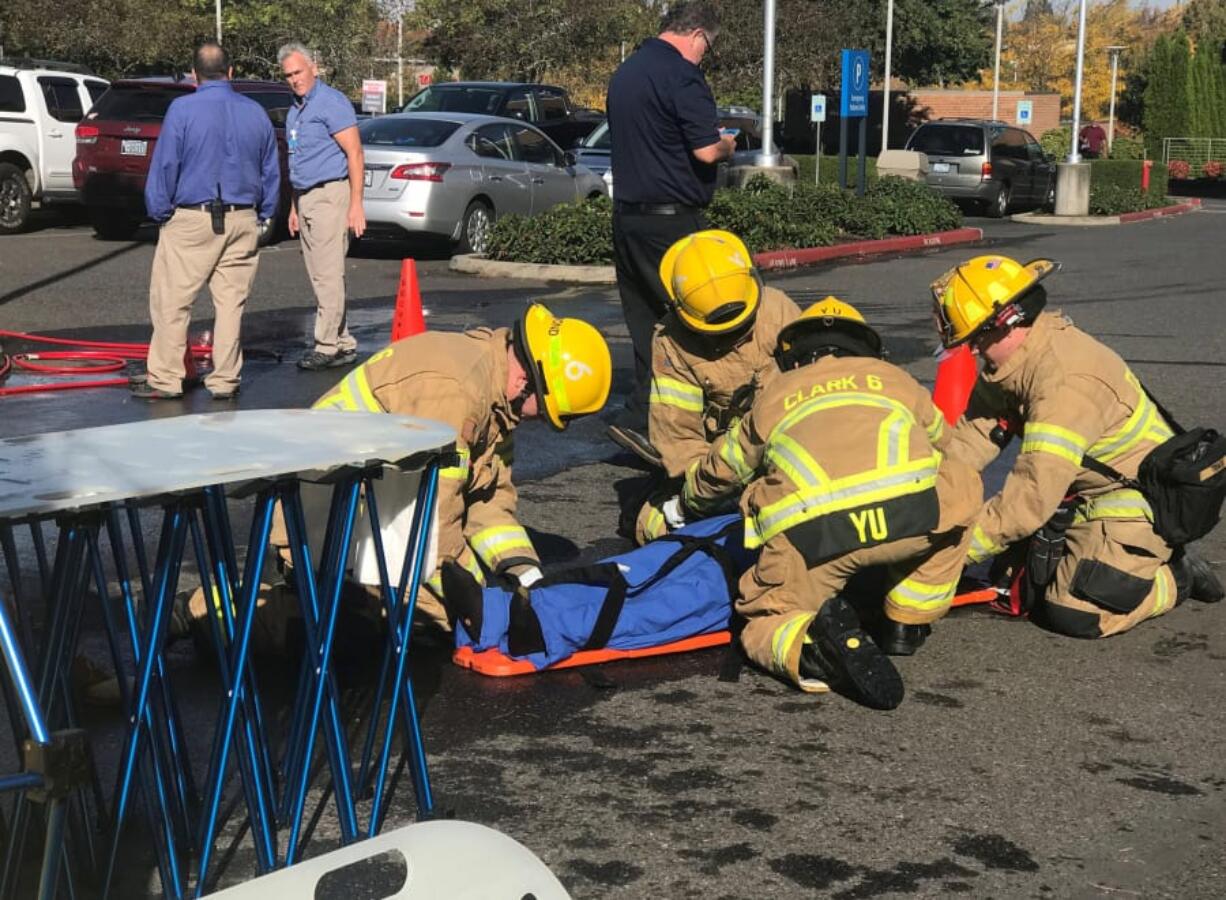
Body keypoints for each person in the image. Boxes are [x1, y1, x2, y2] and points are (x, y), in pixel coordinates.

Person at [671, 299, 983, 708]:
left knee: (764, 620)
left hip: (815, 541)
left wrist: (686, 503)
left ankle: (811, 645)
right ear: (865, 348)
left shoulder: (775, 393)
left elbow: (723, 470)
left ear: (794, 355)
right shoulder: (896, 380)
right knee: (961, 483)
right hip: (913, 522)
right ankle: (906, 622)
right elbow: (947, 446)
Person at [271, 303, 613, 633]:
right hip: (325, 524)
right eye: (548, 413)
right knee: (444, 620)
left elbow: (489, 500)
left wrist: (523, 571)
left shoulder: (496, 396)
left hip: (380, 511)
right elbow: (434, 521)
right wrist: (481, 599)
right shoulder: (454, 393)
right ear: (527, 382)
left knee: (473, 614)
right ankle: (237, 614)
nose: (540, 422)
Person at [934, 255, 1224, 639]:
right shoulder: (1014, 362)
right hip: (1079, 491)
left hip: (1137, 503)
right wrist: (925, 504)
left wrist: (949, 554)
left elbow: (1029, 501)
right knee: (1030, 576)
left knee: (1071, 611)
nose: (973, 351)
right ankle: (1112, 562)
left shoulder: (1064, 384)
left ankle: (1174, 578)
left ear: (1005, 323)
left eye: (976, 340)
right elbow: (972, 439)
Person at [605, 1, 736, 441]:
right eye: (708, 48)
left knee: (644, 322)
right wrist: (728, 145)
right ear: (697, 34)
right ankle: (687, 425)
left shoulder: (626, 73)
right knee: (691, 322)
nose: (705, 55)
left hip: (627, 219)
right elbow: (703, 150)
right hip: (673, 223)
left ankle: (640, 417)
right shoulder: (682, 76)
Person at [624, 229, 800, 545]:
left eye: (741, 325)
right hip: (723, 467)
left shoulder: (779, 311)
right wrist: (708, 491)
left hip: (792, 453)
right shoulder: (672, 343)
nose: (732, 337)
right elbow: (680, 439)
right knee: (653, 527)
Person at [133, 41, 279, 401]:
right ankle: (225, 380)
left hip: (193, 217)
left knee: (172, 301)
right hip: (243, 217)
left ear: (194, 75)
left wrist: (160, 211)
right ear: (231, 72)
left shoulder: (182, 110)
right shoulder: (255, 112)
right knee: (230, 305)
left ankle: (166, 379)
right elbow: (270, 170)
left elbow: (166, 165)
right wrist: (264, 213)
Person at [279, 42, 366, 371]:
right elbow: (297, 160)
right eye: (288, 75)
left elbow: (355, 153)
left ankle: (326, 345)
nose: (294, 79)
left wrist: (356, 204)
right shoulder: (295, 110)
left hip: (330, 195)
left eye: (298, 72)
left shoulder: (331, 103)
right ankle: (342, 341)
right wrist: (293, 207)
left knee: (328, 274)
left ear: (314, 67)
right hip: (305, 198)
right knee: (321, 275)